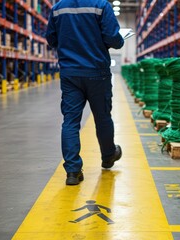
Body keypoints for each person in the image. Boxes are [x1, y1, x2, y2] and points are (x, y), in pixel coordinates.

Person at [46, 0, 124, 185]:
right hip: (97, 72)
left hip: (70, 73)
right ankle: (108, 156)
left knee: (71, 122)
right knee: (102, 117)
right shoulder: (101, 5)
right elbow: (114, 39)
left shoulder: (58, 8)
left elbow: (51, 39)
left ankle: (72, 171)